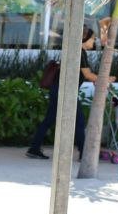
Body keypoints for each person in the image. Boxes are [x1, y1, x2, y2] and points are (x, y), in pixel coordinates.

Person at [26, 26, 111, 160]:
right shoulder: (80, 52)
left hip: (59, 89)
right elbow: (87, 74)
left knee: (49, 120)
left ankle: (34, 148)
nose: (93, 42)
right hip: (66, 92)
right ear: (84, 39)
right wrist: (106, 79)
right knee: (79, 121)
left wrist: (98, 79)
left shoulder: (75, 51)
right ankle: (83, 153)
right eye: (92, 39)